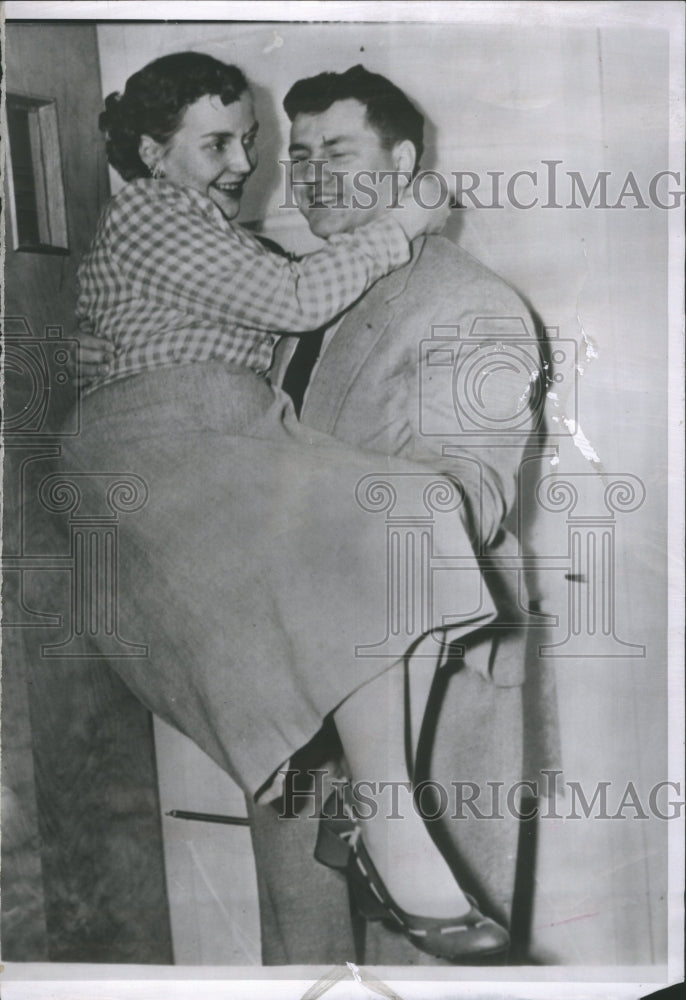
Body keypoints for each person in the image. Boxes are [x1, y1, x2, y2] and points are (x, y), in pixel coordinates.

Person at [62, 52, 514, 962]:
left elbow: (476, 487)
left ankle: (391, 825)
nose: (299, 174)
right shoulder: (245, 260)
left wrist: (360, 535)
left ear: (403, 169)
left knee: (421, 970)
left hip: (405, 700)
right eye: (296, 156)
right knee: (303, 959)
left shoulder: (469, 304)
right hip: (290, 685)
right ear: (155, 152)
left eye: (335, 153)